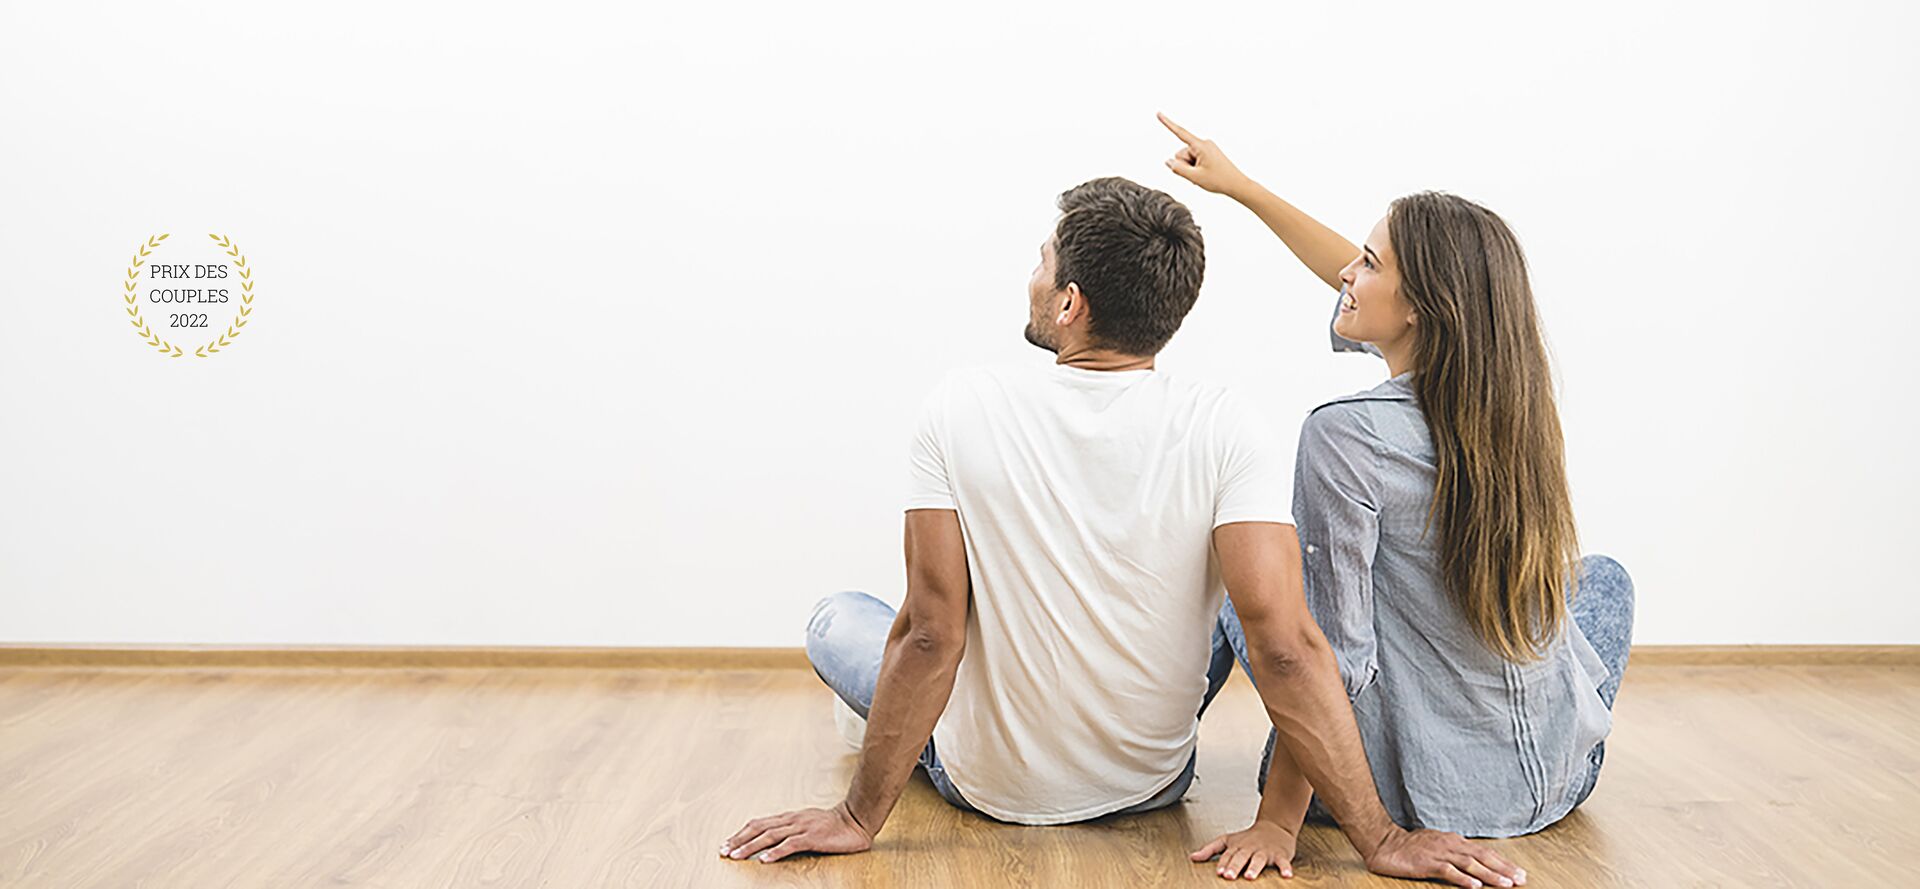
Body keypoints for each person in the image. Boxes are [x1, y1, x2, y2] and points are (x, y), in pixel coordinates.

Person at [720, 176, 1527, 887]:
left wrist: (857, 816)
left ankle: (889, 727)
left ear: (1070, 303)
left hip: (989, 787)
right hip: (1151, 782)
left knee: (838, 616)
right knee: (1242, 596)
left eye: (1043, 262)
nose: (1034, 277)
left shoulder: (960, 406)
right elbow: (1286, 648)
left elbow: (932, 634)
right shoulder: (1228, 425)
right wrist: (1380, 839)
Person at [1158, 113, 1636, 838]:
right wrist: (1243, 187)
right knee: (1601, 579)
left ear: (1418, 308)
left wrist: (1278, 822)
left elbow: (1324, 650)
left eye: (1370, 264)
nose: (1348, 274)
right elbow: (1372, 276)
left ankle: (1144, 760)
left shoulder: (1349, 435)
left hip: (1397, 797)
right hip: (1555, 783)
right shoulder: (1513, 403)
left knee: (1250, 584)